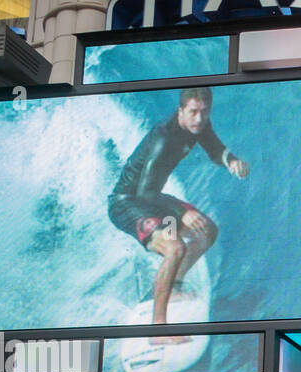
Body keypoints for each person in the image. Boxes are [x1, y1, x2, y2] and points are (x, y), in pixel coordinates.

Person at [107, 87, 249, 337]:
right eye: (193, 112)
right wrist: (181, 214)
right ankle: (159, 328)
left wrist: (232, 161)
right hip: (127, 204)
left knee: (206, 231)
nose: (199, 118)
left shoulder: (198, 126)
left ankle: (172, 288)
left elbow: (215, 149)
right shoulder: (164, 138)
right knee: (175, 248)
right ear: (181, 111)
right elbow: (144, 193)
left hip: (152, 201)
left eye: (204, 112)